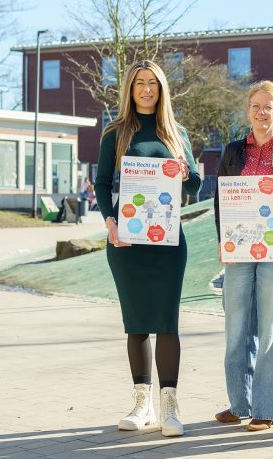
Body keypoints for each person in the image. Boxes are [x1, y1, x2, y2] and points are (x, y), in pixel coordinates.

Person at [94, 60, 201, 438]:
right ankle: (143, 404)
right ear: (130, 88)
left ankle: (170, 405)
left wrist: (186, 172)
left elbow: (195, 186)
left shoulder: (176, 132)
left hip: (168, 243)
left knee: (167, 321)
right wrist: (110, 222)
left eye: (153, 83)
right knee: (137, 321)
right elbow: (101, 182)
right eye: (140, 82)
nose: (146, 89)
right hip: (127, 241)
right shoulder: (116, 133)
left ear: (162, 89)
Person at [213, 80, 273, 432]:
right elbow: (221, 199)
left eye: (268, 106)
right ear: (248, 111)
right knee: (236, 327)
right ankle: (239, 403)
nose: (261, 112)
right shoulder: (232, 151)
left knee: (271, 329)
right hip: (239, 247)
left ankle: (267, 407)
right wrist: (222, 242)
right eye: (255, 106)